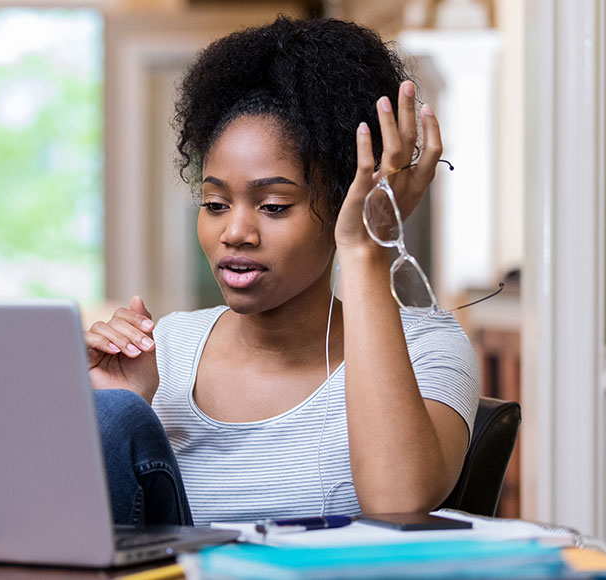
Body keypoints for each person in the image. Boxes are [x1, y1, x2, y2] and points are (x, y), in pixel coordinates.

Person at [85, 16, 481, 527]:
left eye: (273, 205)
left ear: (345, 205)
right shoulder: (167, 351)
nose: (235, 233)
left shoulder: (428, 348)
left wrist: (365, 249)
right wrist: (116, 412)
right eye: (214, 203)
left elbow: (398, 506)